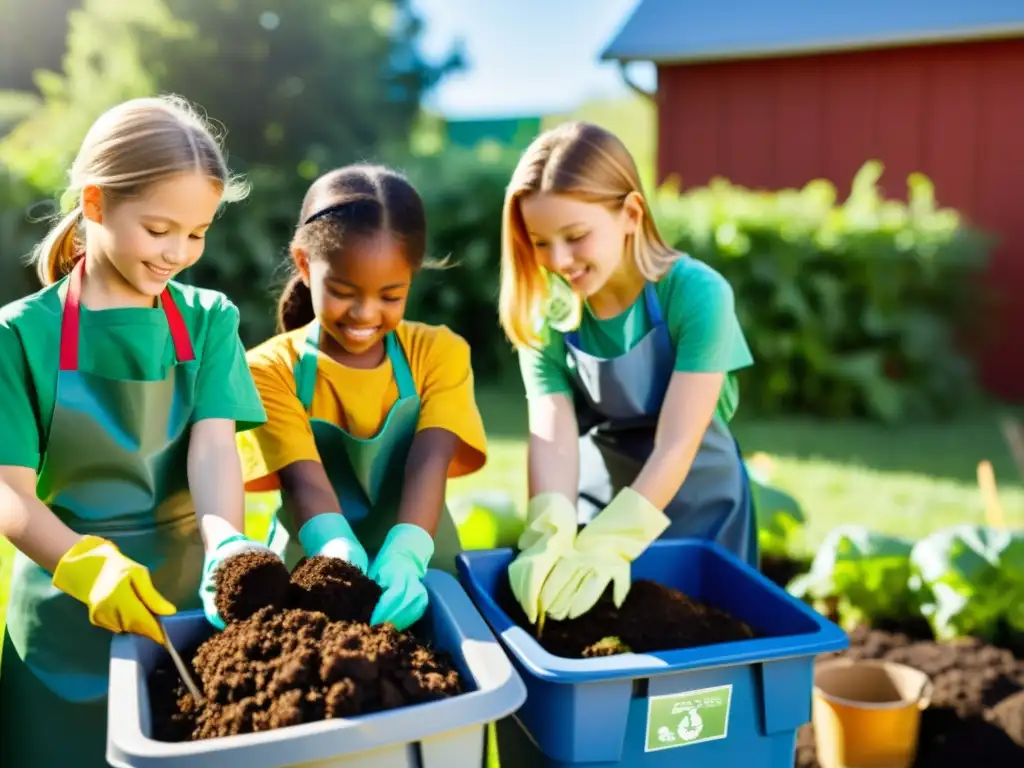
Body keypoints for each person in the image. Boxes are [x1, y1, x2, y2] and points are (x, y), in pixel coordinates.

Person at [0, 95, 272, 767]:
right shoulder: (19, 334)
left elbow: (213, 447)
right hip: (63, 618)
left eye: (198, 232)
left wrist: (226, 548)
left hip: (181, 609)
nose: (179, 252)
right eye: (159, 229)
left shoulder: (210, 319)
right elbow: (9, 493)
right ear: (94, 205)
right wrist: (84, 567)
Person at [501, 122, 756, 626]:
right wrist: (550, 527)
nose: (559, 261)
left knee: (706, 643)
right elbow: (551, 432)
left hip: (702, 501)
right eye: (540, 242)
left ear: (631, 214)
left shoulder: (696, 294)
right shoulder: (547, 313)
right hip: (603, 497)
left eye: (575, 237)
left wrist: (617, 540)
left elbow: (677, 444)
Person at [236, 164, 487, 631]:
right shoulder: (268, 369)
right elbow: (301, 479)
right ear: (305, 265)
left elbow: (429, 461)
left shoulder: (439, 352)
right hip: (311, 568)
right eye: (343, 292)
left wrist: (408, 551)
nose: (365, 313)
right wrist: (335, 554)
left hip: (425, 562)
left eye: (391, 295)